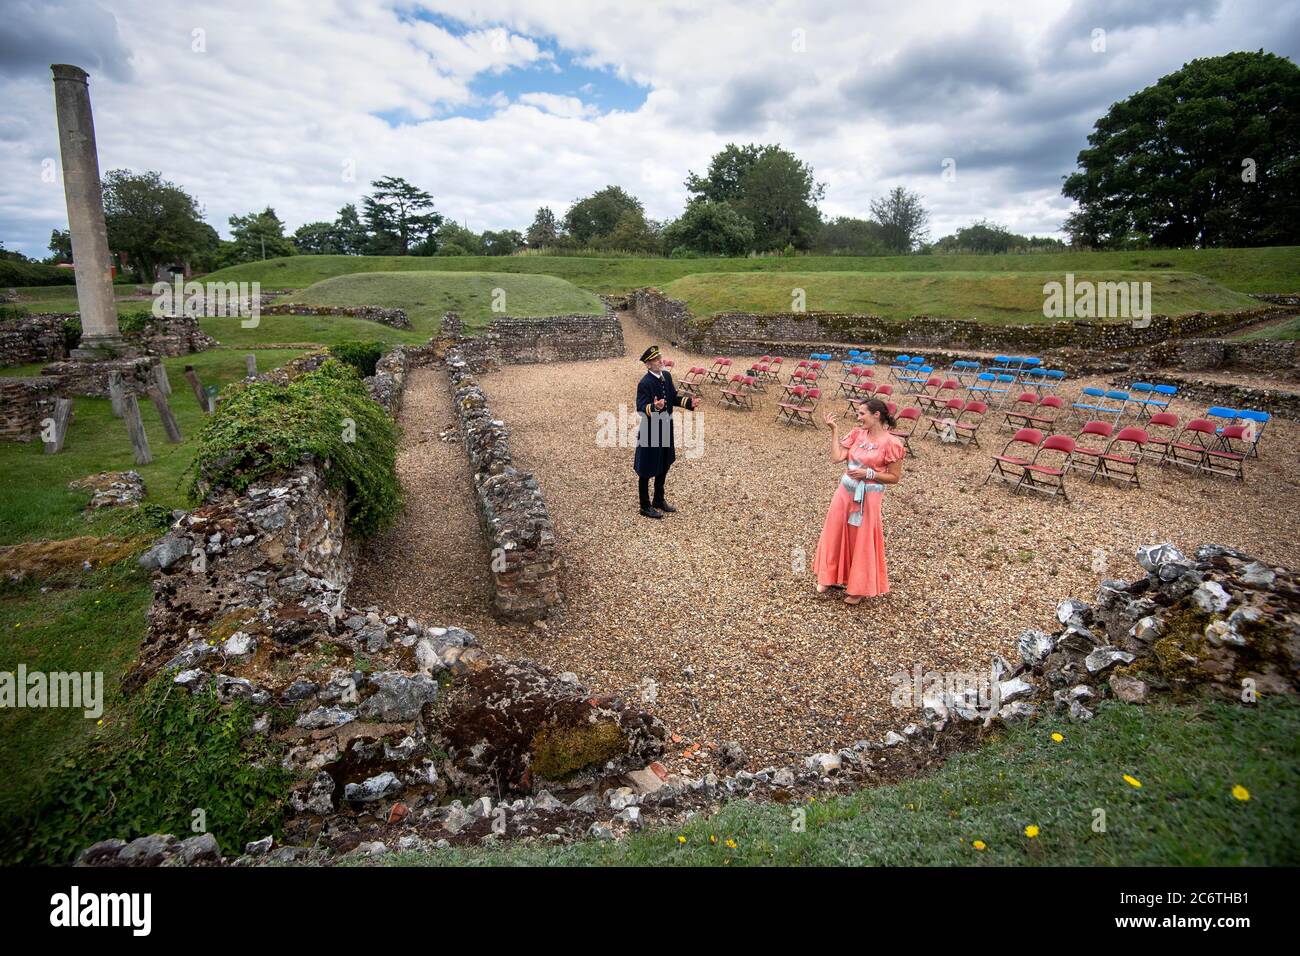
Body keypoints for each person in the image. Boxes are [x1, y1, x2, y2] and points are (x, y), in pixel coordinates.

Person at [813, 397, 905, 604]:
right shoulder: (856, 433)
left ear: (876, 415)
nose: (858, 417)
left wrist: (869, 474)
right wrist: (834, 430)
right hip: (844, 492)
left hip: (869, 497)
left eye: (862, 413)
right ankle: (829, 576)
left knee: (862, 538)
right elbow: (837, 458)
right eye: (858, 413)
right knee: (835, 530)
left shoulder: (893, 443)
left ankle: (858, 587)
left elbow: (895, 477)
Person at [633, 344, 699, 519]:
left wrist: (688, 403)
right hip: (650, 431)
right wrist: (654, 407)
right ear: (648, 364)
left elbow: (672, 397)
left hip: (665, 428)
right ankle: (644, 506)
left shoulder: (667, 376)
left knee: (664, 463)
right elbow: (640, 408)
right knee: (646, 468)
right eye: (655, 359)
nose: (660, 360)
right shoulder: (644, 383)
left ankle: (658, 499)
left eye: (660, 357)